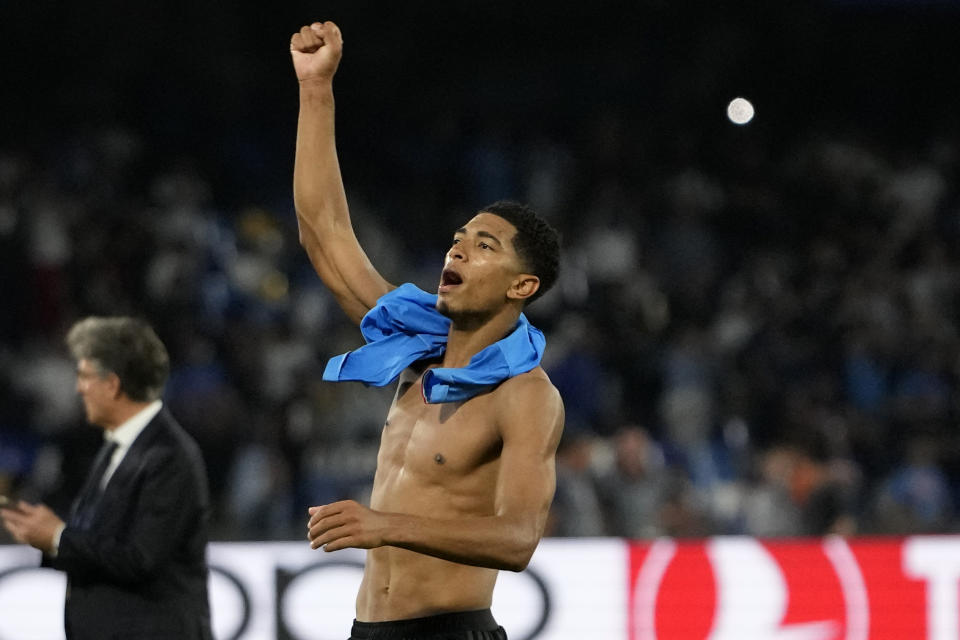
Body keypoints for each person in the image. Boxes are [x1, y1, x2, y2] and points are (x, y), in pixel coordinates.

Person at [290, 20, 565, 640]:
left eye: (484, 245)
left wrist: (385, 525)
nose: (459, 251)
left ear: (522, 287)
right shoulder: (418, 349)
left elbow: (518, 539)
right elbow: (324, 233)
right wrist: (316, 90)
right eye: (459, 238)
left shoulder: (524, 395)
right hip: (370, 628)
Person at [0, 317, 213, 640]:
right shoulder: (116, 448)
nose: (79, 387)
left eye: (85, 376)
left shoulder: (168, 457)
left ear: (112, 384)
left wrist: (58, 537)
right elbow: (102, 544)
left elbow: (140, 559)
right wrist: (45, 535)